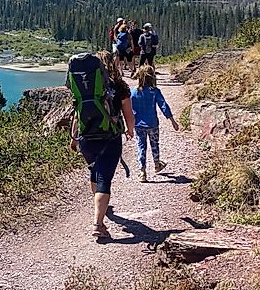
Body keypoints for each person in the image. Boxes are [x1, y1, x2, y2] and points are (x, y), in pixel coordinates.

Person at [69, 51, 135, 239]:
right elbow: (128, 113)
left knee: (94, 171)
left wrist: (74, 139)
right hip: (109, 138)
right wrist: (130, 130)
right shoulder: (119, 87)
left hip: (86, 139)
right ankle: (98, 224)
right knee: (104, 179)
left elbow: (76, 114)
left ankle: (99, 203)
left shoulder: (83, 89)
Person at [131, 64, 178, 182]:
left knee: (141, 146)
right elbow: (163, 105)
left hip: (138, 124)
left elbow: (129, 109)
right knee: (154, 144)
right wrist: (172, 120)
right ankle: (157, 165)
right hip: (152, 123)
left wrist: (129, 125)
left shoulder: (133, 93)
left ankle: (142, 172)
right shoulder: (155, 91)